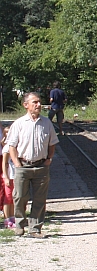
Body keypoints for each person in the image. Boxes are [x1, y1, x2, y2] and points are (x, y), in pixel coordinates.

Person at [6, 92, 59, 237]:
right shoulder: (19, 123)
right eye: (34, 102)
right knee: (19, 197)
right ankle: (20, 224)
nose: (38, 105)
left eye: (39, 102)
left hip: (41, 166)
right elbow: (11, 145)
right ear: (26, 105)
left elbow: (52, 143)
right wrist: (16, 163)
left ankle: (35, 228)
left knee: (39, 199)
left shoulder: (47, 123)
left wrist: (49, 158)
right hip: (23, 165)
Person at [0, 125, 13, 228]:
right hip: (8, 174)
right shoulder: (5, 149)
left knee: (13, 197)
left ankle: (12, 217)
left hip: (15, 174)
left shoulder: (13, 146)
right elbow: (4, 164)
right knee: (7, 197)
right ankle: (6, 218)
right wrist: (6, 176)